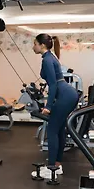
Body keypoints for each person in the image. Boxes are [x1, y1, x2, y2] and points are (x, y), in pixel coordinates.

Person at [30, 34, 79, 180]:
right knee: (59, 130)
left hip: (65, 95)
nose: (33, 47)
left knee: (52, 130)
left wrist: (49, 106)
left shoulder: (47, 59)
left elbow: (53, 85)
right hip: (68, 95)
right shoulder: (50, 57)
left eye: (35, 44)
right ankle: (56, 165)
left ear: (42, 45)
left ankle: (51, 168)